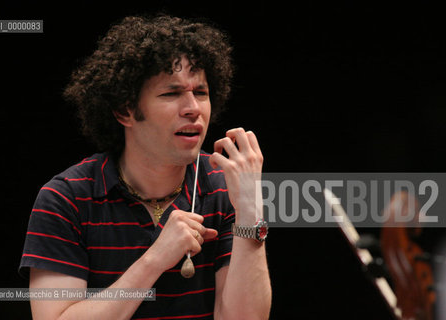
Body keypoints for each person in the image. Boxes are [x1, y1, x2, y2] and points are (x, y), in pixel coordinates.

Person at [19, 15, 271, 320]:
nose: (193, 108)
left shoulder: (222, 187)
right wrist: (154, 260)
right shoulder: (65, 199)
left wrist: (250, 213)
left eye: (201, 92)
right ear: (125, 110)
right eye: (171, 93)